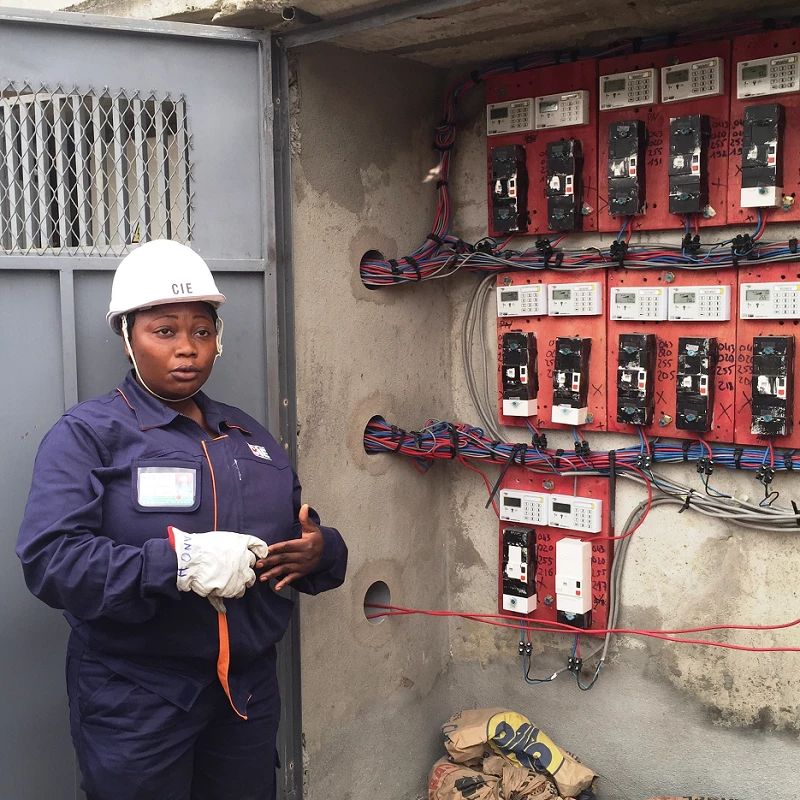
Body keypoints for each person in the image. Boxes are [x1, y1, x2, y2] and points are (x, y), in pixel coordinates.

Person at [16, 240, 347, 800]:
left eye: (201, 330)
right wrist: (177, 564)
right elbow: (52, 561)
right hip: (136, 700)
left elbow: (296, 530)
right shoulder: (89, 434)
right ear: (128, 339)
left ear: (219, 340)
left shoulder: (249, 438)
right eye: (164, 331)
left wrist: (323, 552)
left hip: (243, 696)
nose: (187, 348)